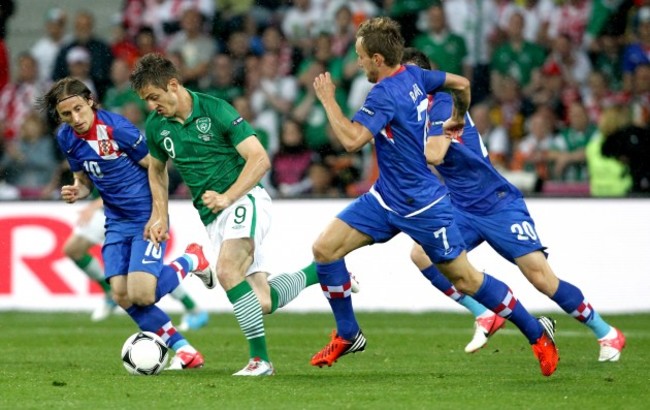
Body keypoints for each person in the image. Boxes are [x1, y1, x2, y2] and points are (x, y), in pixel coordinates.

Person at [309, 17, 558, 377]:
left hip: (422, 205)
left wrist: (328, 100)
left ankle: (537, 332)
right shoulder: (414, 75)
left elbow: (351, 140)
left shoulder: (383, 94)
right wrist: (457, 115)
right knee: (324, 250)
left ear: (378, 59)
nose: (357, 61)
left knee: (467, 281)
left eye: (361, 55)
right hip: (384, 199)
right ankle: (348, 333)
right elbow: (463, 83)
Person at [129, 53, 357, 376]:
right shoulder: (156, 126)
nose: (152, 106)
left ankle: (260, 361)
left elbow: (260, 159)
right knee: (262, 301)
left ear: (173, 85)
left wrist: (228, 196)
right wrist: (160, 215)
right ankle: (320, 272)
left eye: (154, 97)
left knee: (226, 270)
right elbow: (157, 171)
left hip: (245, 200)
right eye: (146, 101)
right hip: (213, 215)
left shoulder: (216, 109)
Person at [402, 47, 626, 361]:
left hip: (496, 203)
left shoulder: (442, 102)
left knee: (541, 279)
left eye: (407, 76)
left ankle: (607, 333)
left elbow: (435, 155)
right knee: (421, 253)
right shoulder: (415, 113)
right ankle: (483, 313)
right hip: (461, 206)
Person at [37, 77, 209, 370]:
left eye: (79, 109)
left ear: (90, 101)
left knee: (143, 294)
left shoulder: (118, 129)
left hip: (145, 216)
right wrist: (77, 189)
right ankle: (185, 350)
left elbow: (157, 168)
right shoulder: (66, 137)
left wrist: (159, 215)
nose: (75, 119)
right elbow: (85, 179)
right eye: (67, 114)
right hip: (115, 221)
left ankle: (192, 260)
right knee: (121, 295)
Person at [64, 194, 210, 330]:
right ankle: (109, 293)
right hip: (109, 211)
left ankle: (193, 308)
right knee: (73, 249)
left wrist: (94, 205)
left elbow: (126, 179)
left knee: (147, 272)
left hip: (132, 212)